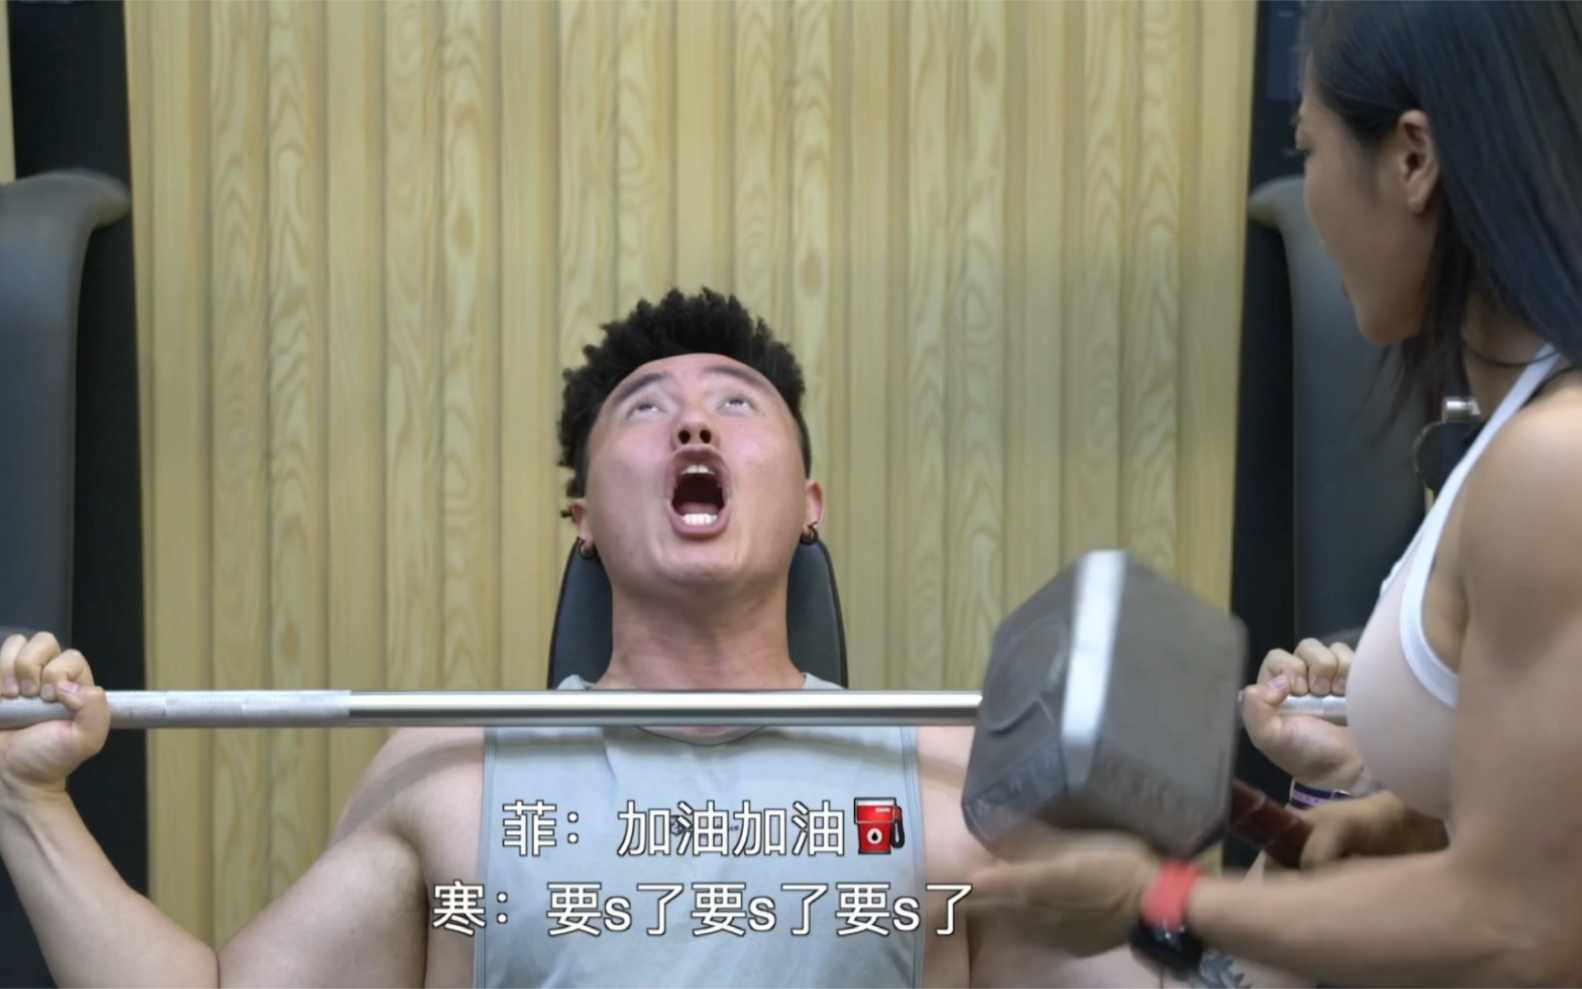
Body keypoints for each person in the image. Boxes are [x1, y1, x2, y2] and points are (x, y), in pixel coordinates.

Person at [0, 289, 1159, 988]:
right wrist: (27, 800)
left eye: (736, 402)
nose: (692, 419)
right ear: (585, 519)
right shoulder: (455, 774)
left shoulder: (958, 782)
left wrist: (1280, 816)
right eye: (645, 409)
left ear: (810, 503)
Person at [966, 2, 1582, 986]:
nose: (1311, 196)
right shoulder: (1520, 430)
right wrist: (1386, 817)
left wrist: (1163, 896)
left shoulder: (1554, 460)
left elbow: (1528, 925)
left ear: (1413, 160)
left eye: (1310, 150)